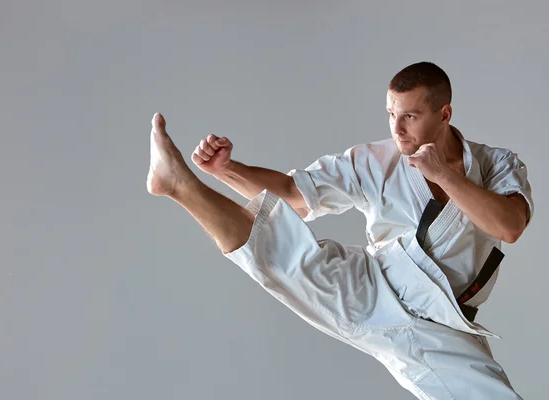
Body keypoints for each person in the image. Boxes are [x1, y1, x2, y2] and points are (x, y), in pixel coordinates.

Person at [147, 61, 533, 399]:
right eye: (390, 114)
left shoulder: (495, 163)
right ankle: (179, 183)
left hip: (443, 325)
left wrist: (445, 176)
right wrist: (226, 170)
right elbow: (293, 195)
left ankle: (178, 185)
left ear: (444, 114)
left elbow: (510, 226)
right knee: (282, 256)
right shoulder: (373, 160)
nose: (396, 129)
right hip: (375, 287)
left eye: (410, 117)